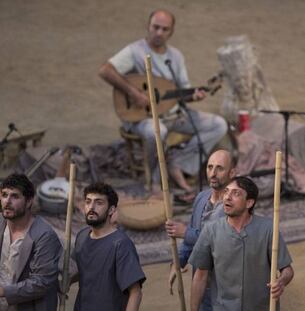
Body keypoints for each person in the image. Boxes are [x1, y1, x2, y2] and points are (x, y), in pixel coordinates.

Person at [98, 9, 228, 202]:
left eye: (164, 29)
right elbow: (105, 71)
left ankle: (178, 163)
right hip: (142, 117)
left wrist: (195, 96)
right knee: (156, 132)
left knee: (218, 124)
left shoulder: (175, 56)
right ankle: (154, 182)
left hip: (174, 114)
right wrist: (134, 93)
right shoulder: (135, 51)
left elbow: (182, 93)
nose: (159, 32)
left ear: (171, 32)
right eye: (155, 27)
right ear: (148, 26)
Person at [189, 176, 294, 311]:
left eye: (236, 193)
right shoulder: (211, 230)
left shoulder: (268, 229)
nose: (227, 197)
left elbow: (287, 270)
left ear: (249, 202)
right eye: (226, 192)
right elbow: (200, 276)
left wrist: (281, 281)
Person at [165, 149, 236, 310]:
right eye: (210, 167)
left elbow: (223, 240)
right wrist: (178, 261)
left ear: (232, 172)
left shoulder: (234, 204)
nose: (213, 173)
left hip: (227, 285)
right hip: (202, 282)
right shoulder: (201, 197)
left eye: (220, 168)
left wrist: (185, 233)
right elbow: (191, 234)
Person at [72, 182, 146, 311]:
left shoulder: (121, 244)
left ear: (111, 210)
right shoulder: (82, 237)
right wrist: (64, 283)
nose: (91, 207)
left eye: (99, 203)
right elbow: (83, 271)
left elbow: (136, 293)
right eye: (88, 202)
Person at [0, 173, 62, 311]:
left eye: (14, 196)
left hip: (27, 307)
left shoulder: (44, 236)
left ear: (29, 201)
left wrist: (3, 291)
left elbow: (41, 283)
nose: (7, 201)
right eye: (4, 195)